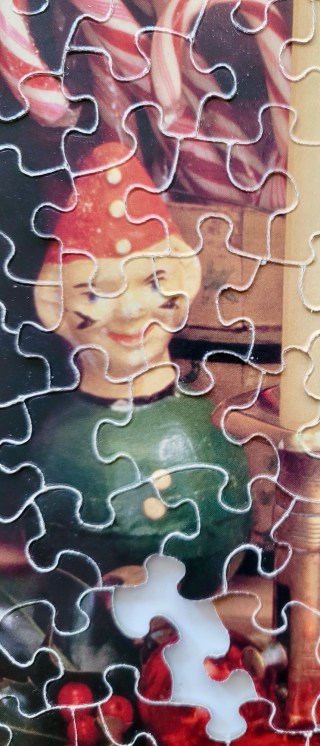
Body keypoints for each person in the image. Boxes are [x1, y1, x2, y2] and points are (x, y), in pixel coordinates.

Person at [9, 141, 252, 599]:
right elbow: (51, 554)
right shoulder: (60, 443)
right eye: (93, 293)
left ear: (186, 279)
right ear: (53, 303)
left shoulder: (205, 425)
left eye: (153, 281)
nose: (129, 310)